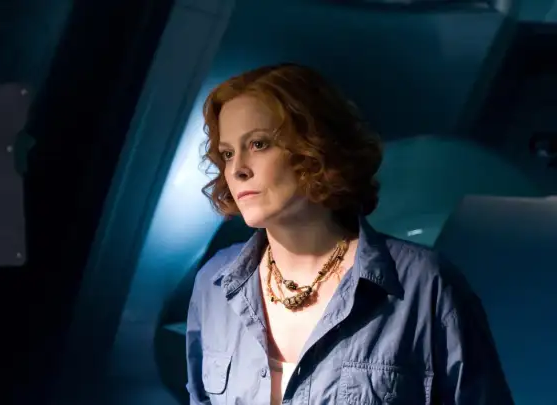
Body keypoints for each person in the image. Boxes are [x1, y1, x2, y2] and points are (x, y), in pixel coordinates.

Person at [185, 63, 513, 405]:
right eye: (227, 153)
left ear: (315, 147)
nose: (237, 169)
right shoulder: (214, 285)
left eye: (258, 144)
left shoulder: (423, 285)